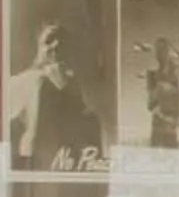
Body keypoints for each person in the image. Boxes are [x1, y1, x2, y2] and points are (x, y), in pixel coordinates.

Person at [6, 21, 107, 173]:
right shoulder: (25, 81)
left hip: (63, 161)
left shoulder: (71, 84)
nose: (56, 44)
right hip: (35, 162)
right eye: (49, 40)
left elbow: (79, 126)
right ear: (38, 48)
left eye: (62, 41)